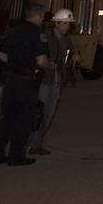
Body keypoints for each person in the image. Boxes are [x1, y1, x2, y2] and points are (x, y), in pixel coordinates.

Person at [0, 3, 50, 166]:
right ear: (38, 16)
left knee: (6, 117)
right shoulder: (37, 33)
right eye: (42, 16)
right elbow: (41, 60)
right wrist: (49, 65)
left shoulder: (14, 31)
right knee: (23, 117)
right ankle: (16, 156)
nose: (43, 19)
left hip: (11, 79)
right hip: (27, 81)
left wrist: (14, 62)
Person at [28, 8, 80, 155]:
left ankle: (36, 142)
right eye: (65, 23)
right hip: (44, 79)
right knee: (38, 112)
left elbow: (70, 56)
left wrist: (74, 59)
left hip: (57, 79)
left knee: (48, 114)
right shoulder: (45, 37)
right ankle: (30, 141)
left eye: (69, 24)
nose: (67, 27)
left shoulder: (66, 40)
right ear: (56, 23)